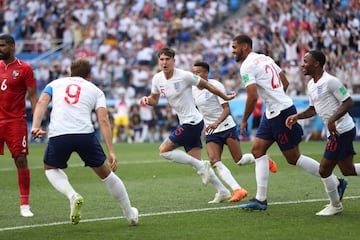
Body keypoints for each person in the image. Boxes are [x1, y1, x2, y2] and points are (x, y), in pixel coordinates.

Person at [231, 34, 347, 213]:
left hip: (281, 113)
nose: (233, 51)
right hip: (273, 112)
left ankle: (336, 182)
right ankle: (260, 200)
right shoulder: (265, 58)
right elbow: (284, 81)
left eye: (234, 47)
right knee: (257, 151)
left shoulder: (246, 66)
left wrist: (245, 119)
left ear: (245, 47)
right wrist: (277, 99)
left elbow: (252, 96)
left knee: (293, 158)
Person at [30, 58, 138, 225]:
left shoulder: (54, 84)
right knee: (106, 174)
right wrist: (111, 151)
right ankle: (130, 214)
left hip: (59, 135)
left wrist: (35, 126)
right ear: (90, 75)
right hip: (84, 135)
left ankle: (73, 196)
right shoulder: (96, 90)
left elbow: (42, 101)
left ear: (70, 73)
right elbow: (103, 120)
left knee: (50, 168)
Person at [140, 47, 236, 203]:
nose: (164, 62)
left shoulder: (184, 76)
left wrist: (225, 96)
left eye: (167, 59)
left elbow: (207, 85)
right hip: (186, 121)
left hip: (193, 122)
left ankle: (202, 166)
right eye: (162, 59)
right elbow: (154, 99)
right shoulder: (157, 79)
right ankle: (223, 191)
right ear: (159, 61)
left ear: (173, 61)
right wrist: (147, 100)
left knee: (163, 150)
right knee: (197, 164)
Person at [191, 61, 278, 203]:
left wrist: (216, 123)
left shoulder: (216, 86)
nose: (195, 75)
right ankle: (237, 189)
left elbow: (226, 109)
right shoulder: (192, 89)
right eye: (193, 72)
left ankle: (264, 159)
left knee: (239, 160)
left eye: (198, 72)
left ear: (206, 73)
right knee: (214, 161)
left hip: (226, 126)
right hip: (211, 131)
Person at [286, 50, 359, 216]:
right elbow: (313, 109)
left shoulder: (330, 81)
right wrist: (297, 116)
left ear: (316, 63)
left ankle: (335, 205)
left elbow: (348, 102)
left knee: (324, 170)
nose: (302, 64)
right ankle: (336, 203)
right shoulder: (311, 85)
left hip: (341, 130)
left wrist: (332, 120)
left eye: (305, 61)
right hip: (335, 130)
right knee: (347, 169)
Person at [0, 33, 38, 217]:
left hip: (16, 121)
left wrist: (36, 123)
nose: (0, 49)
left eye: (2, 45)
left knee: (20, 160)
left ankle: (24, 204)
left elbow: (33, 96)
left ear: (12, 46)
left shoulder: (25, 69)